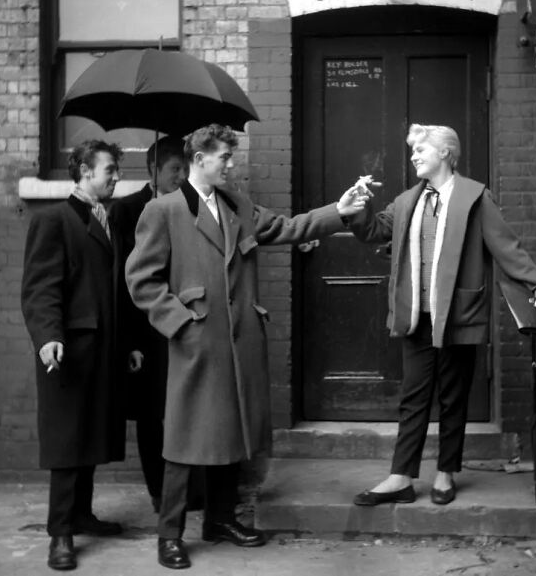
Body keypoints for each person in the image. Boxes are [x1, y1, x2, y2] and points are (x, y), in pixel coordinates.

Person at [125, 124, 368, 570]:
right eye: (224, 158)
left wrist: (340, 209)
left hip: (240, 341)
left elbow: (289, 227)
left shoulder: (236, 203)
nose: (231, 165)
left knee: (229, 434)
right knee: (184, 441)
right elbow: (141, 281)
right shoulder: (163, 211)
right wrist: (181, 323)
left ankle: (220, 521)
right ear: (199, 159)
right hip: (196, 342)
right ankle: (169, 535)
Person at [344, 124, 536, 507]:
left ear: (444, 152)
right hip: (416, 316)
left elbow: (506, 247)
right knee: (414, 397)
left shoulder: (475, 197)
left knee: (454, 397)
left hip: (458, 314)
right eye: (412, 151)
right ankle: (401, 476)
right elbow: (375, 230)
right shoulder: (408, 200)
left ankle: (445, 473)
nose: (413, 156)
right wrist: (358, 208)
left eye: (421, 149)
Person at [21, 140, 141, 571]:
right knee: (68, 442)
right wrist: (47, 337)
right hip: (68, 351)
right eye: (109, 169)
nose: (116, 177)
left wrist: (127, 345)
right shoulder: (54, 219)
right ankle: (60, 534)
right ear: (85, 172)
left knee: (90, 435)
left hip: (104, 349)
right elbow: (40, 288)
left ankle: (82, 514)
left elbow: (116, 291)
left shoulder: (108, 220)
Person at [110, 135, 188, 512]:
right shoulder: (126, 211)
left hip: (181, 326)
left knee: (182, 409)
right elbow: (123, 281)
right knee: (150, 413)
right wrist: (130, 342)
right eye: (174, 169)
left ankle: (189, 492)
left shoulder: (188, 206)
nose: (181, 175)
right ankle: (159, 493)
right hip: (144, 330)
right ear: (154, 170)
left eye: (185, 169)